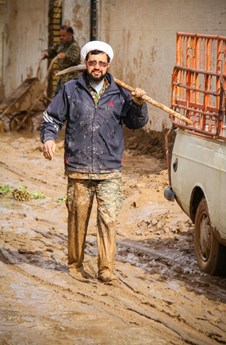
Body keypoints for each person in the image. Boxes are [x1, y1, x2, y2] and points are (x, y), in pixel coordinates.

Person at [40, 40, 148, 283]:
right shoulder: (70, 90)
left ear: (108, 65)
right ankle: (75, 265)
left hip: (110, 168)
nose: (97, 67)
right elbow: (51, 118)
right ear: (85, 64)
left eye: (101, 63)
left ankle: (106, 269)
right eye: (92, 62)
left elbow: (136, 123)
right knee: (77, 218)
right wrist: (48, 138)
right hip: (78, 167)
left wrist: (139, 105)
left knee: (108, 220)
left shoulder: (120, 93)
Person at [42, 25, 81, 94]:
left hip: (72, 77)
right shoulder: (61, 44)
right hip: (63, 77)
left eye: (63, 36)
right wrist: (47, 53)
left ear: (70, 35)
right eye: (60, 36)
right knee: (58, 96)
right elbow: (53, 50)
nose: (61, 38)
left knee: (67, 96)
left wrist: (65, 56)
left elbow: (73, 59)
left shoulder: (74, 47)